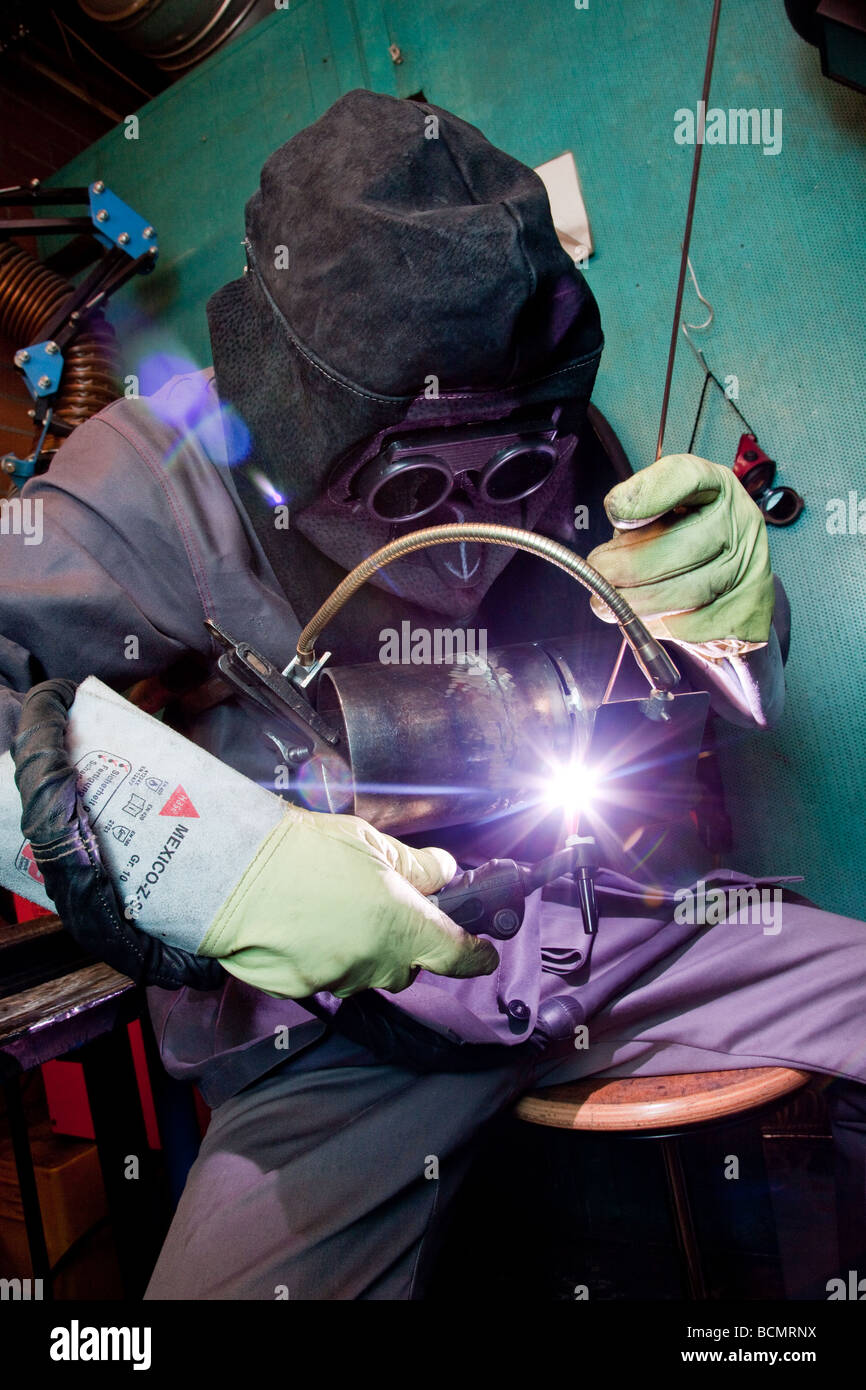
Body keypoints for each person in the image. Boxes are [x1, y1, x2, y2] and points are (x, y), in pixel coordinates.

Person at [3, 90, 864, 1300]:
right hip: (336, 1026)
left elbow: (673, 706)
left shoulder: (572, 437)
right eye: (407, 489)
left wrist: (738, 621)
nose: (465, 550)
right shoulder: (162, 473)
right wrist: (199, 861)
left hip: (607, 926)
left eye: (507, 469)